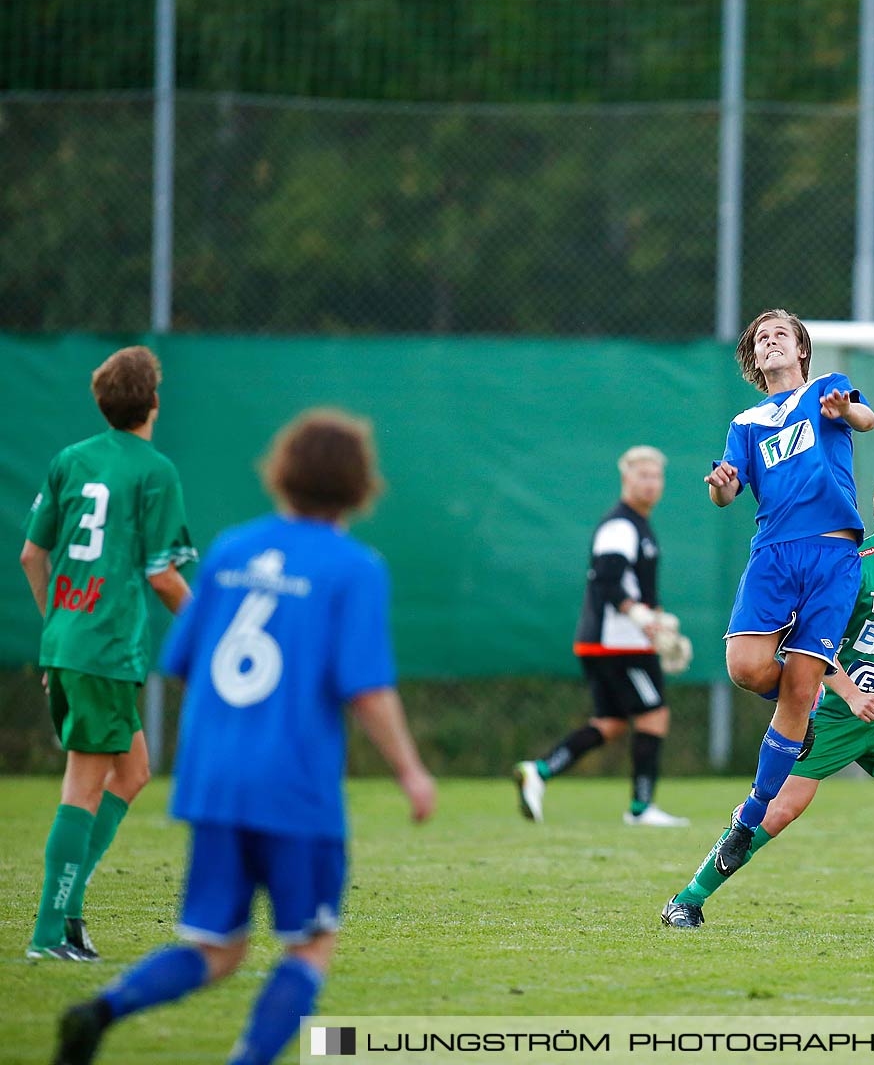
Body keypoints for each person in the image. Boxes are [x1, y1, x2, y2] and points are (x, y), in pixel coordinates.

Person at [52, 409, 436, 1065]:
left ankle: (100, 1009)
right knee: (310, 945)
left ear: (281, 475)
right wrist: (410, 771)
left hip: (214, 785)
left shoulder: (231, 549)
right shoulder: (355, 566)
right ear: (360, 486)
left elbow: (182, 662)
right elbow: (367, 688)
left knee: (216, 949)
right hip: (294, 790)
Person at [663, 466, 874, 933]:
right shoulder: (854, 562)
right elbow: (805, 642)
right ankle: (686, 900)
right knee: (776, 812)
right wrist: (849, 691)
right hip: (827, 712)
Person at [22, 345, 196, 962]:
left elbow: (31, 556)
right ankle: (49, 933)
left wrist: (58, 631)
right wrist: (214, 627)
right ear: (152, 401)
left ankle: (67, 912)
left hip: (71, 642)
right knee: (84, 785)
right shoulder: (154, 470)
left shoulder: (71, 461)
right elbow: (162, 575)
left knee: (133, 772)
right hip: (103, 650)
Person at [701, 309, 874, 877]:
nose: (771, 342)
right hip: (774, 554)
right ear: (754, 359)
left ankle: (746, 821)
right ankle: (802, 713)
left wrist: (845, 409)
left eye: (781, 335)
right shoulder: (745, 422)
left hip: (831, 554)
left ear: (801, 350)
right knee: (746, 667)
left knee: (800, 689)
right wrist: (724, 488)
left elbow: (867, 418)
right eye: (761, 339)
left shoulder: (826, 391)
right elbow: (727, 494)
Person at [514, 445, 692, 827]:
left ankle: (539, 771)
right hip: (618, 643)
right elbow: (607, 580)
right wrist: (641, 615)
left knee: (610, 723)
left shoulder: (639, 525)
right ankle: (641, 809)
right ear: (626, 479)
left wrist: (659, 622)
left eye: (656, 476)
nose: (650, 483)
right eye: (642, 475)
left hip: (610, 641)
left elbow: (634, 587)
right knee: (654, 715)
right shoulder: (620, 525)